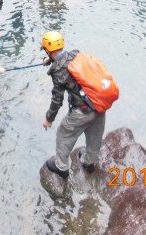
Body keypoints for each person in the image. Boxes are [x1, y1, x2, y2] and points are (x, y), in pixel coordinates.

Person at [41, 31, 106, 179]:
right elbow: (63, 58)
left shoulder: (58, 72)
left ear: (47, 51)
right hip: (99, 103)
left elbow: (57, 100)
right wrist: (50, 60)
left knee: (63, 133)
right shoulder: (76, 54)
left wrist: (49, 119)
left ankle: (61, 167)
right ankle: (89, 162)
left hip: (83, 110)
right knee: (95, 135)